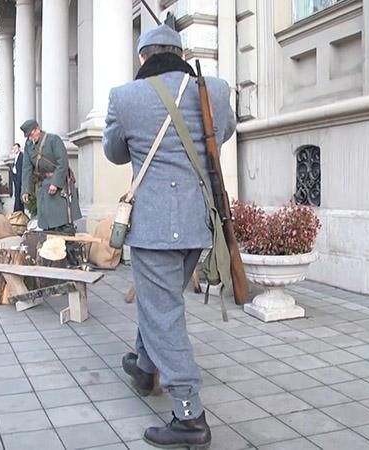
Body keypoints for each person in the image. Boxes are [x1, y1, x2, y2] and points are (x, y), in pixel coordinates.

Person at [102, 21, 236, 449]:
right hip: (199, 224)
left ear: (143, 58)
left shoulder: (124, 98)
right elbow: (223, 132)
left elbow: (114, 151)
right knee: (161, 304)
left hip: (154, 227)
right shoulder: (213, 89)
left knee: (164, 313)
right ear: (180, 54)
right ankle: (144, 366)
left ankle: (188, 415)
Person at [20, 119, 81, 233]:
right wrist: (26, 190)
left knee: (62, 221)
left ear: (37, 129)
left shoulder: (53, 140)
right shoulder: (29, 146)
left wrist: (55, 182)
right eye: (28, 136)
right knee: (47, 222)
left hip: (59, 183)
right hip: (43, 184)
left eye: (31, 134)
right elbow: (26, 168)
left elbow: (62, 162)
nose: (30, 138)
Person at [10, 143, 24, 212]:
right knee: (16, 194)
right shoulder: (16, 157)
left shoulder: (21, 156)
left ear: (19, 148)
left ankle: (18, 209)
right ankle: (17, 209)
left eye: (16, 148)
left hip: (19, 178)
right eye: (13, 148)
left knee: (18, 194)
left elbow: (21, 168)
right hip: (15, 177)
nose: (14, 150)